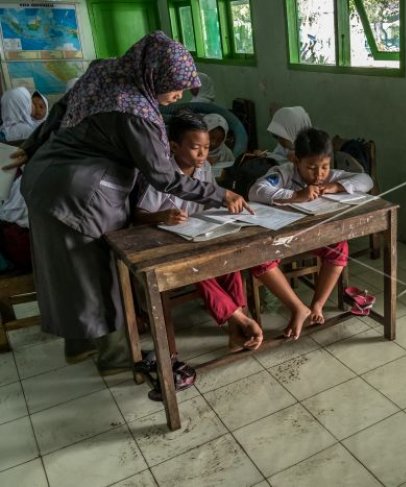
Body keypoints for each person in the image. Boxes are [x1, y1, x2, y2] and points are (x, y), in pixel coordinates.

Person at [10, 31, 248, 373]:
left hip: (47, 179)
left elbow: (61, 108)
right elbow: (163, 176)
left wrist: (34, 145)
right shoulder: (135, 110)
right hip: (80, 194)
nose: (178, 95)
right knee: (104, 272)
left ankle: (80, 344)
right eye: (174, 86)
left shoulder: (105, 71)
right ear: (154, 74)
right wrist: (221, 194)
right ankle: (116, 356)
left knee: (67, 271)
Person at [134, 111, 263, 351]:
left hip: (199, 233)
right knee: (200, 268)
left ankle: (237, 323)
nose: (203, 153)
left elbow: (211, 197)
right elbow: (137, 215)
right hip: (169, 241)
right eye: (196, 148)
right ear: (174, 146)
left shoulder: (203, 168)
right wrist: (161, 216)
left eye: (206, 147)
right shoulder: (161, 175)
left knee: (230, 262)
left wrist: (229, 205)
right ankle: (241, 321)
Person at [248, 127, 373, 339]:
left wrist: (336, 186)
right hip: (283, 238)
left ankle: (317, 305)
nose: (318, 174)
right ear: (296, 160)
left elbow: (366, 180)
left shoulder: (329, 177)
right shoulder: (284, 173)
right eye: (311, 168)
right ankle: (298, 307)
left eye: (324, 167)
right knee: (259, 259)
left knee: (339, 247)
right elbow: (256, 190)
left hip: (314, 237)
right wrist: (295, 195)